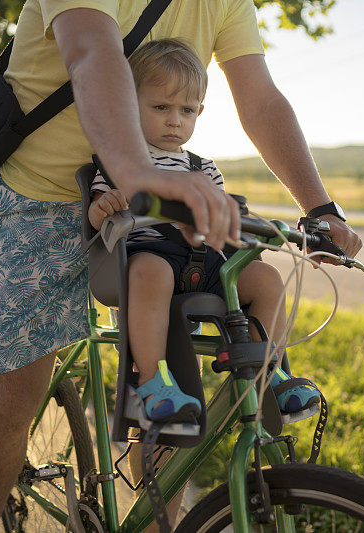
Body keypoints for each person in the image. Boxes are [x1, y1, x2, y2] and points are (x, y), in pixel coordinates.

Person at [0, 1, 362, 531]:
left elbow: (260, 98)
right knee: (13, 398)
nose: (178, 120)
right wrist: (136, 174)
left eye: (188, 112)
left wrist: (318, 208)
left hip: (157, 225)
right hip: (37, 197)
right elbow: (90, 50)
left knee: (177, 402)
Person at [88, 38, 319, 421]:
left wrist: (246, 227)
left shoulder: (203, 167)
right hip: (153, 257)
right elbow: (98, 218)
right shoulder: (121, 163)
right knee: (150, 271)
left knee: (265, 278)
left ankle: (269, 372)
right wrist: (104, 207)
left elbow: (219, 217)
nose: (175, 120)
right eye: (161, 107)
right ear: (129, 102)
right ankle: (151, 383)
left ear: (200, 111)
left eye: (186, 110)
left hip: (204, 261)